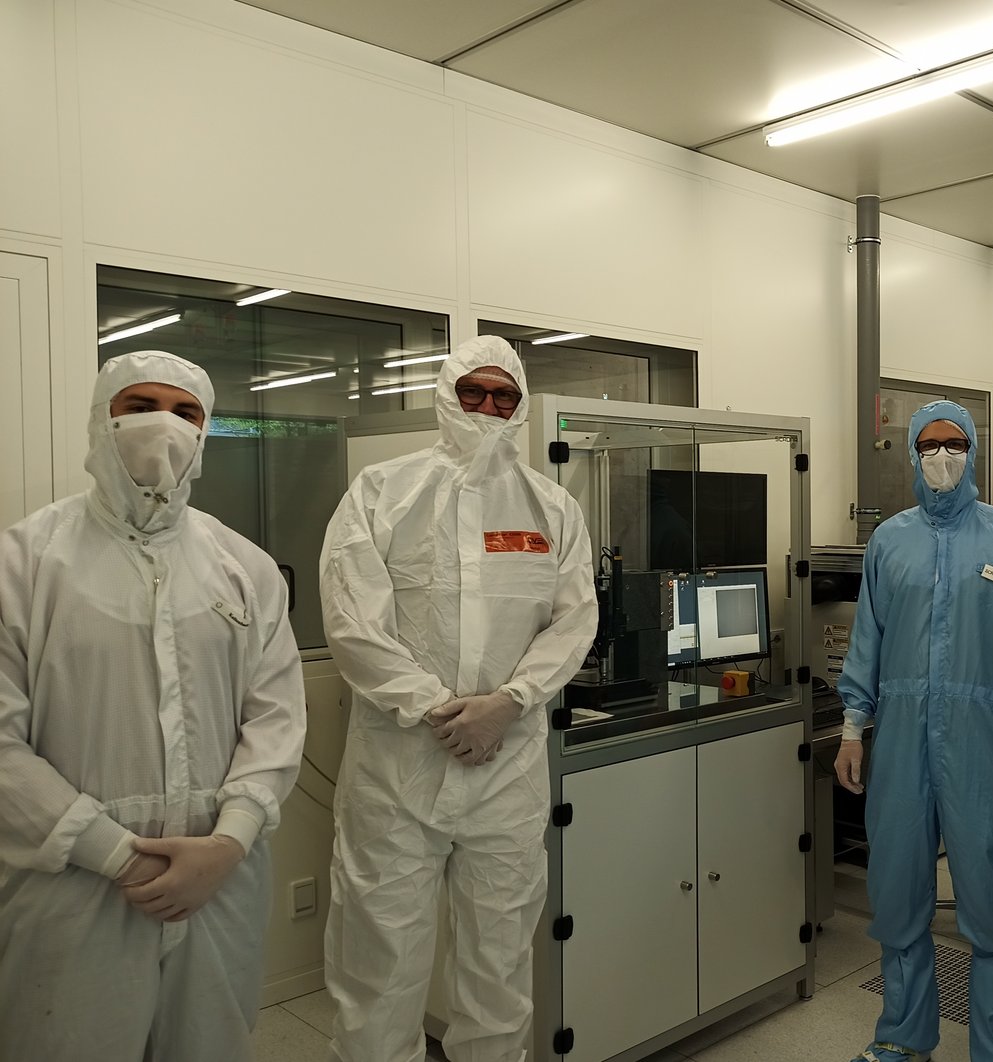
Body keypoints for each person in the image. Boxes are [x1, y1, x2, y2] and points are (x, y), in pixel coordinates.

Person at [0, 350, 306, 1061]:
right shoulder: (24, 562)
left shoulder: (245, 567)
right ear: (100, 420)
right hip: (74, 889)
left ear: (205, 432)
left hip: (220, 886)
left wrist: (229, 839)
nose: (162, 425)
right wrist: (115, 854)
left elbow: (277, 717)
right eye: (139, 407)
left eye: (185, 412)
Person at [320, 335, 597, 1062]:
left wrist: (508, 702)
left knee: (498, 967)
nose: (487, 408)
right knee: (379, 967)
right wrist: (438, 710)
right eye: (472, 392)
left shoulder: (552, 507)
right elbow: (353, 623)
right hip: (399, 768)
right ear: (446, 396)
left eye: (503, 396)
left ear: (522, 404)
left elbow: (575, 619)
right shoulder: (383, 491)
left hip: (506, 768)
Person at [834, 400, 993, 1062]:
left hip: (985, 739)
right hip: (899, 740)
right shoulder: (889, 540)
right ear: (911, 454)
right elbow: (867, 639)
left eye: (954, 443)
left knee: (992, 902)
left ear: (974, 451)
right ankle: (904, 1039)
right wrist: (853, 728)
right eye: (929, 445)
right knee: (898, 894)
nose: (942, 455)